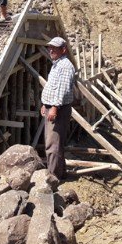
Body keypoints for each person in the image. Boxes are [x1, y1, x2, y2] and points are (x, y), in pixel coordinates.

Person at [40, 36, 77, 181]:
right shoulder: (57, 64)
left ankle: (53, 177)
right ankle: (60, 173)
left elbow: (62, 90)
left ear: (63, 49)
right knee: (54, 143)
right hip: (52, 106)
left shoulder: (65, 66)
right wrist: (45, 103)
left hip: (59, 108)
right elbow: (52, 87)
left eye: (54, 48)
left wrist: (54, 107)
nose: (51, 50)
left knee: (53, 145)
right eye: (50, 47)